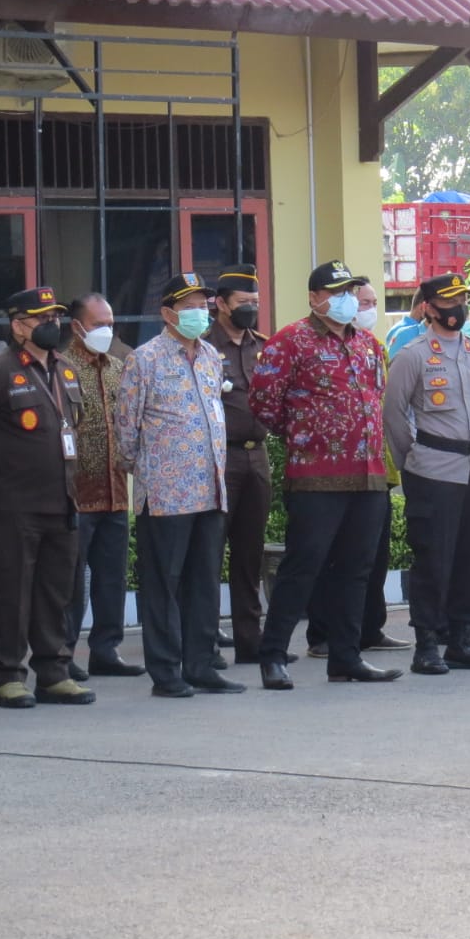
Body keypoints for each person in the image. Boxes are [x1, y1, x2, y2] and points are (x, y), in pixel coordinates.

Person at [248, 261, 403, 689]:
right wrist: (306, 433)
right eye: (337, 293)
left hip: (369, 473)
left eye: (351, 291)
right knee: (303, 566)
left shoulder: (369, 345)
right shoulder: (289, 342)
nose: (347, 300)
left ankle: (346, 656)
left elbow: (377, 396)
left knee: (357, 569)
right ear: (315, 298)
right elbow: (264, 403)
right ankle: (274, 654)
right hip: (316, 474)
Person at [0, 285, 96, 709]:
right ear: (18, 326)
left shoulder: (66, 370)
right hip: (12, 504)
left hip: (61, 500)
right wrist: (0, 457)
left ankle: (53, 672)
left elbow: (75, 424)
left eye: (55, 317)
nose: (52, 325)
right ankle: (10, 676)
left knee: (55, 592)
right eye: (42, 318)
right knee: (13, 592)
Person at [112, 273, 241, 697]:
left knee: (204, 581)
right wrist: (151, 469)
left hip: (211, 488)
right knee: (163, 584)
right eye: (189, 306)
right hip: (166, 493)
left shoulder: (209, 355)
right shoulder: (144, 360)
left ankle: (201, 664)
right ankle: (166, 672)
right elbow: (125, 432)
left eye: (203, 303)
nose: (200, 312)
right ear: (167, 313)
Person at [383, 273, 470, 675]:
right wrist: (411, 462)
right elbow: (394, 416)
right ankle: (427, 643)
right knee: (434, 559)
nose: (457, 308)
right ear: (428, 309)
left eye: (462, 300)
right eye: (448, 302)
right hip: (433, 468)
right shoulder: (412, 355)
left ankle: (462, 639)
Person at [307, 280, 412, 657]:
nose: (364, 308)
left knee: (372, 558)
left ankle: (370, 628)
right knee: (330, 556)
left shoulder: (374, 348)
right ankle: (322, 634)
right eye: (359, 301)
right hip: (333, 471)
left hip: (376, 468)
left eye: (368, 301)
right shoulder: (305, 343)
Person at [61, 292, 144, 679]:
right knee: (71, 581)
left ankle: (106, 650)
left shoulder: (118, 367)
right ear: (77, 326)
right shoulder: (60, 368)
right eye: (98, 324)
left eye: (110, 323)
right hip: (77, 494)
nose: (106, 330)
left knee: (112, 578)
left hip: (115, 490)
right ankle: (62, 653)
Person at [205, 264, 278, 662]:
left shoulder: (262, 345)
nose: (250, 309)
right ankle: (206, 641)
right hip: (219, 457)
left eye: (255, 302)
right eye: (243, 303)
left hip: (257, 455)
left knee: (250, 554)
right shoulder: (202, 346)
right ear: (220, 304)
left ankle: (251, 644)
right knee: (210, 552)